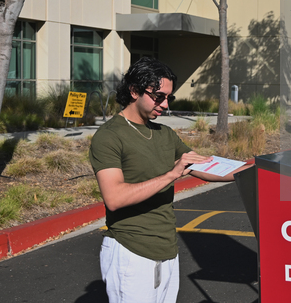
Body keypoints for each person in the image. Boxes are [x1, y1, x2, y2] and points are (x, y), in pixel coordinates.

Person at [89, 57, 250, 303]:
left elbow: (205, 166)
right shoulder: (109, 137)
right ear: (134, 91)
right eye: (158, 97)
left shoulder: (164, 134)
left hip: (167, 250)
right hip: (132, 251)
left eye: (169, 98)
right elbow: (114, 198)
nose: (165, 105)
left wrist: (254, 168)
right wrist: (172, 174)